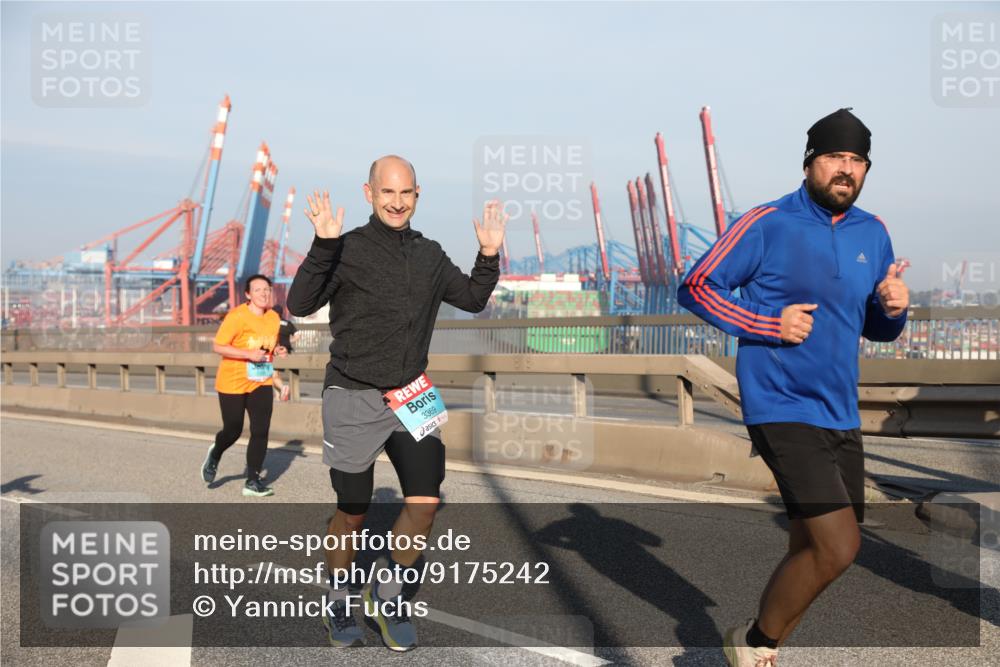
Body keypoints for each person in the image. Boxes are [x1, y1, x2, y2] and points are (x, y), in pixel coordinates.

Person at [677, 108, 909, 667]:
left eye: (856, 160)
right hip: (780, 404)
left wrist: (895, 309)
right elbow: (696, 285)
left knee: (812, 546)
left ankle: (764, 651)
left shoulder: (873, 232)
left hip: (839, 410)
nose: (845, 169)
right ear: (809, 163)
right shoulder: (768, 222)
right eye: (834, 157)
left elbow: (875, 326)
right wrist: (766, 324)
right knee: (840, 546)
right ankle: (753, 644)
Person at [287, 155, 505, 651]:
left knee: (425, 504)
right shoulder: (345, 248)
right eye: (387, 192)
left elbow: (472, 298)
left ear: (417, 195)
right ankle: (338, 597)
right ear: (369, 193)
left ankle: (386, 594)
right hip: (353, 393)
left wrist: (488, 254)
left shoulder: (429, 254)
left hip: (411, 393)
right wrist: (323, 244)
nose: (397, 202)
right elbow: (299, 304)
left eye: (406, 193)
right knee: (353, 512)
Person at [202, 274, 289, 497]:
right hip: (233, 381)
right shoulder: (237, 317)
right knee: (233, 429)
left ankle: (252, 481)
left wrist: (277, 349)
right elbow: (218, 346)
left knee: (260, 430)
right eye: (258, 290)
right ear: (248, 294)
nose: (263, 293)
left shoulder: (273, 317)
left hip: (261, 380)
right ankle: (216, 453)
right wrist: (247, 354)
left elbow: (268, 345)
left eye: (266, 289)